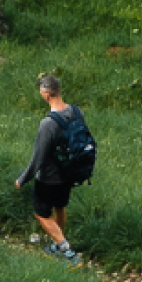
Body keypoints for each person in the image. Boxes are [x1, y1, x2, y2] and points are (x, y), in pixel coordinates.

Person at [16, 73, 88, 267]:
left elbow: (38, 158)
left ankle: (67, 251)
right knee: (60, 206)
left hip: (48, 178)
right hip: (70, 173)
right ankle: (57, 246)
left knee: (41, 213)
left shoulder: (48, 123)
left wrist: (22, 179)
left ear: (46, 95)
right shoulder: (77, 111)